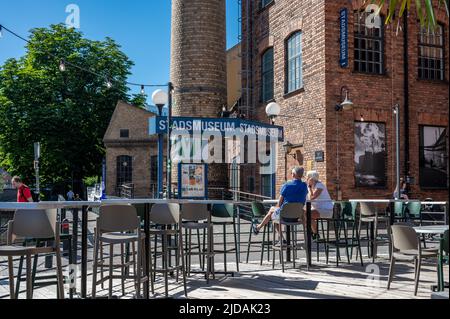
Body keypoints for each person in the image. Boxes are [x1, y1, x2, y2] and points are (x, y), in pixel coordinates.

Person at [252, 167, 308, 242]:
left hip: (285, 215)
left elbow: (280, 202)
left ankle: (279, 237)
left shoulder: (287, 185)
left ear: (294, 175)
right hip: (297, 216)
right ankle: (306, 237)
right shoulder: (304, 186)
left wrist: (276, 208)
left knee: (273, 214)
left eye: (291, 173)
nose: (291, 174)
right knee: (273, 212)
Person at [305, 171, 334, 240]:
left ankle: (315, 233)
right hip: (317, 209)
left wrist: (309, 188)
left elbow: (312, 198)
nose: (306, 179)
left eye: (307, 177)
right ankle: (313, 233)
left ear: (311, 179)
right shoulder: (312, 186)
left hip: (326, 210)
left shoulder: (319, 186)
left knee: (307, 214)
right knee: (304, 214)